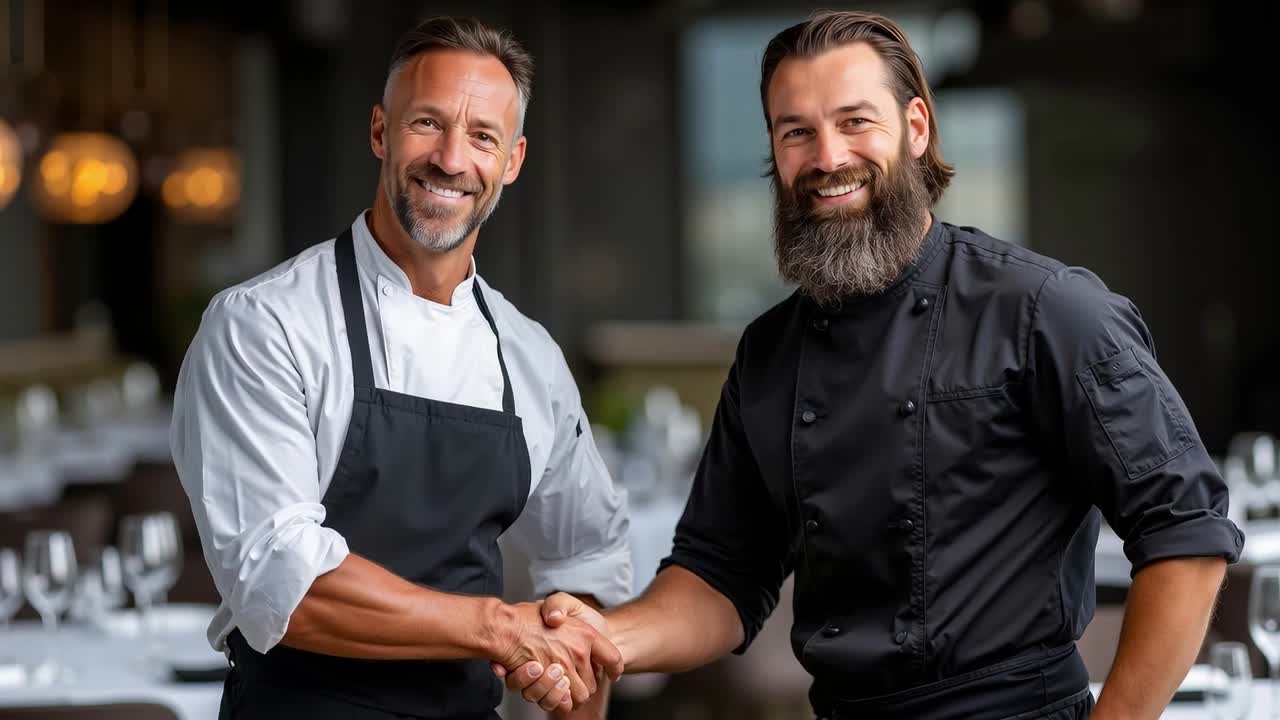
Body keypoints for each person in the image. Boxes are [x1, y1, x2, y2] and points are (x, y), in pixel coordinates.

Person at [499, 10, 1243, 719]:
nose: (828, 158)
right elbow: (721, 575)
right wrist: (606, 638)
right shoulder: (770, 352)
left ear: (916, 128)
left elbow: (1187, 530)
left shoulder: (1045, 309)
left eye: (856, 121)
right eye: (797, 132)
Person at [171, 16, 630, 720]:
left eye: (483, 137)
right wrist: (497, 627)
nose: (451, 158)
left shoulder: (530, 356)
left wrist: (569, 678)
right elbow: (280, 582)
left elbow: (586, 559)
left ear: (512, 161)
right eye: (427, 123)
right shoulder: (264, 324)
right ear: (380, 131)